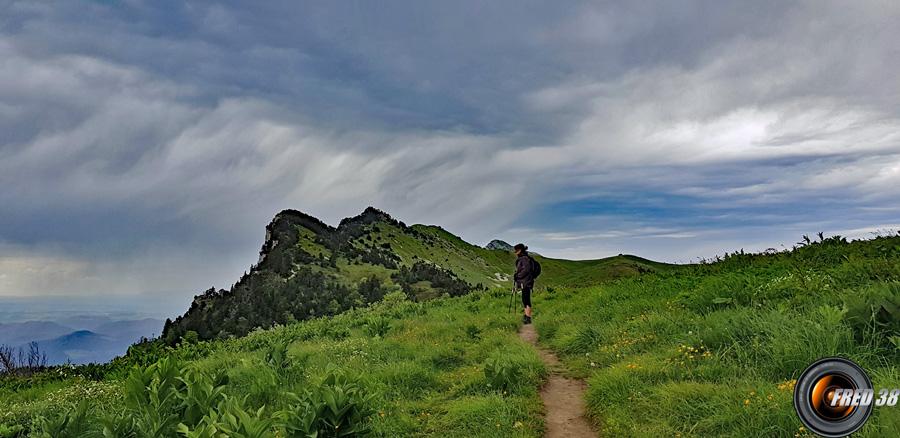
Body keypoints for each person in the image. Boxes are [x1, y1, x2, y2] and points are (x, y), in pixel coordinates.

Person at [513, 243, 534, 324]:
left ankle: (528, 318)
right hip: (526, 281)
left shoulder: (524, 259)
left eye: (516, 250)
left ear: (520, 250)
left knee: (526, 299)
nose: (515, 252)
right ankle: (526, 316)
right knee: (525, 299)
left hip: (526, 282)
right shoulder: (525, 258)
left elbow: (526, 270)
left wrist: (517, 276)